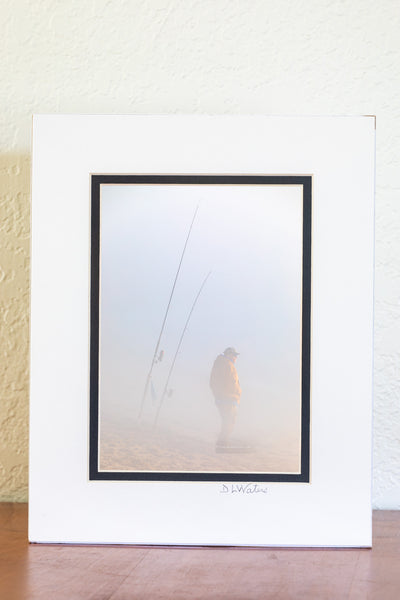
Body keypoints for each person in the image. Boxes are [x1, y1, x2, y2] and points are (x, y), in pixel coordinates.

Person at [209, 347, 241, 449]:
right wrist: (228, 395)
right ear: (229, 355)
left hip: (228, 398)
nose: (236, 357)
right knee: (229, 420)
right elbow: (223, 382)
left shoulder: (225, 364)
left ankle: (223, 441)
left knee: (228, 420)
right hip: (227, 398)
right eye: (234, 355)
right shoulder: (225, 365)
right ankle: (222, 442)